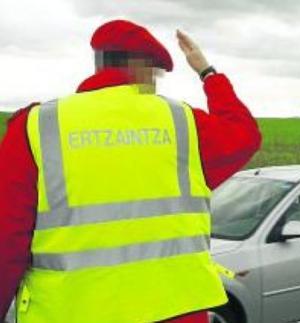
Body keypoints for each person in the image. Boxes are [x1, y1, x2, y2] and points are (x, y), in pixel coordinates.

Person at [0, 20, 261, 323]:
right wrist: (207, 73)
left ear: (100, 64)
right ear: (141, 69)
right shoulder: (183, 124)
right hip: (176, 313)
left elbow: (7, 240)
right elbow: (245, 133)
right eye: (153, 75)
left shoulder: (35, 127)